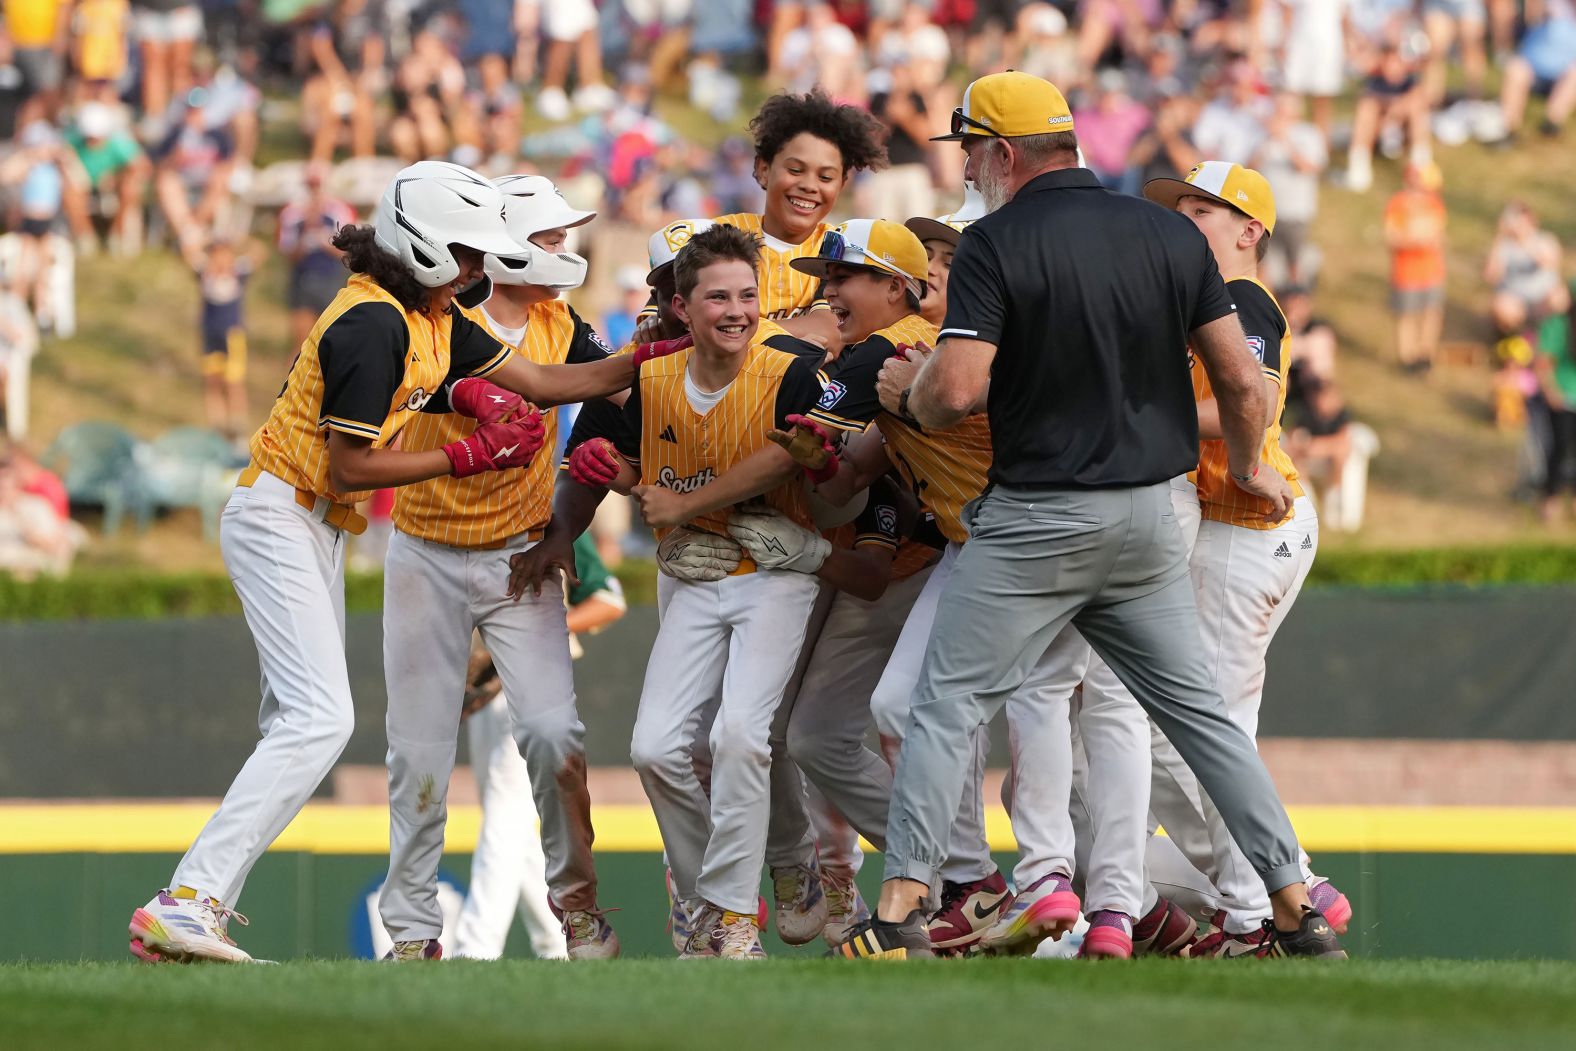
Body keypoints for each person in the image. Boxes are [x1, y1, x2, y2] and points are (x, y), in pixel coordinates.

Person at [829, 71, 1343, 960]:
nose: (972, 170)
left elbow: (953, 391)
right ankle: (1292, 904)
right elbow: (1240, 377)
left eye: (971, 152)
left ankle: (905, 904)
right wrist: (1253, 462)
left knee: (945, 706)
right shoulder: (1164, 234)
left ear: (999, 153)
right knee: (1201, 721)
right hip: (1151, 517)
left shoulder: (993, 243)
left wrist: (901, 397)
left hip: (1038, 517)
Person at [126, 160, 653, 964]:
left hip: (308, 523)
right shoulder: (374, 322)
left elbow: (548, 380)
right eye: (469, 251)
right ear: (429, 246)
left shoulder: (427, 315)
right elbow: (350, 468)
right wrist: (467, 455)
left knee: (298, 722)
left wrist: (658, 352)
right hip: (286, 513)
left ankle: (198, 902)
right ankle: (189, 898)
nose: (481, 267)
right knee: (321, 719)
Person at [378, 174, 625, 963]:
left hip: (520, 557)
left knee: (556, 734)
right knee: (416, 752)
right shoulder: (441, 316)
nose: (563, 250)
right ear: (504, 240)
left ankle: (577, 910)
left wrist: (588, 482)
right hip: (425, 550)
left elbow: (617, 396)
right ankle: (414, 931)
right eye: (550, 237)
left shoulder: (561, 321)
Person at [590, 224, 829, 959]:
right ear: (681, 309)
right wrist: (620, 475)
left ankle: (731, 915)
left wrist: (679, 505)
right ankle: (705, 901)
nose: (737, 310)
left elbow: (802, 461)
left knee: (739, 736)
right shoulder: (651, 378)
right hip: (695, 576)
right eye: (718, 296)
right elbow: (635, 472)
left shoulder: (790, 369)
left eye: (749, 295)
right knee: (656, 748)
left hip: (776, 577)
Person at [1143, 161, 1351, 954]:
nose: (1183, 219)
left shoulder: (1244, 296)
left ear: (1249, 229)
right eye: (1179, 207)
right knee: (1179, 731)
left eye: (1201, 209)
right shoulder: (1197, 301)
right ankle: (1286, 880)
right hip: (1236, 526)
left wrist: (1140, 410)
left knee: (1207, 730)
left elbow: (1251, 399)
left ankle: (1256, 912)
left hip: (1249, 529)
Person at [453, 532, 627, 960]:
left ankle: (475, 948)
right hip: (486, 687)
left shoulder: (546, 504)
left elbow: (610, 598)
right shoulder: (464, 508)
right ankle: (555, 941)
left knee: (504, 815)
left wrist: (538, 628)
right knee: (513, 824)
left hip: (532, 676)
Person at [632, 90, 888, 358]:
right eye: (795, 170)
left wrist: (726, 331)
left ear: (842, 185)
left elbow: (829, 332)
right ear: (763, 169)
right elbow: (664, 321)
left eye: (825, 177)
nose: (809, 186)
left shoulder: (839, 249)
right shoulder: (716, 235)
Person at [278, 162, 356, 356]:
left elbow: (349, 252)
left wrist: (325, 242)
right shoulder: (292, 213)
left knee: (332, 342)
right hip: (303, 278)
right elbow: (287, 252)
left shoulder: (339, 211)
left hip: (330, 279)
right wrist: (304, 238)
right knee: (301, 343)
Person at [186, 236, 259, 441]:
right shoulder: (204, 274)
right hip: (210, 333)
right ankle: (216, 427)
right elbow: (188, 251)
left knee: (234, 382)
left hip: (232, 335)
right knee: (212, 381)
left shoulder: (238, 273)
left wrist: (240, 242)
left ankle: (238, 427)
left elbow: (258, 251)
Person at [1384, 161, 1447, 373]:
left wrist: (1418, 237)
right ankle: (1407, 356)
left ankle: (1426, 353)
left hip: (1431, 270)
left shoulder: (1434, 203)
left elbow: (1437, 234)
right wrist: (1416, 239)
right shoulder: (1398, 203)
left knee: (1432, 312)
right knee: (1407, 315)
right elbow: (1393, 236)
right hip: (1406, 271)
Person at [64, 100, 148, 256]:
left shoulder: (119, 142)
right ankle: (85, 236)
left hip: (112, 185)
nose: (92, 142)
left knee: (131, 187)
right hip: (84, 185)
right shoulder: (72, 140)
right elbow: (63, 160)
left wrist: (116, 177)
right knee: (70, 190)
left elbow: (142, 167)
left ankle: (117, 233)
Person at [1486, 201, 1568, 339]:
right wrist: (1499, 236)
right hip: (1516, 300)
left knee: (1558, 298)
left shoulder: (1545, 239)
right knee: (1501, 306)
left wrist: (1524, 241)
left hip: (1542, 299)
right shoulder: (1504, 245)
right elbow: (1490, 275)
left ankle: (1547, 338)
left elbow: (1548, 262)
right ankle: (1514, 339)